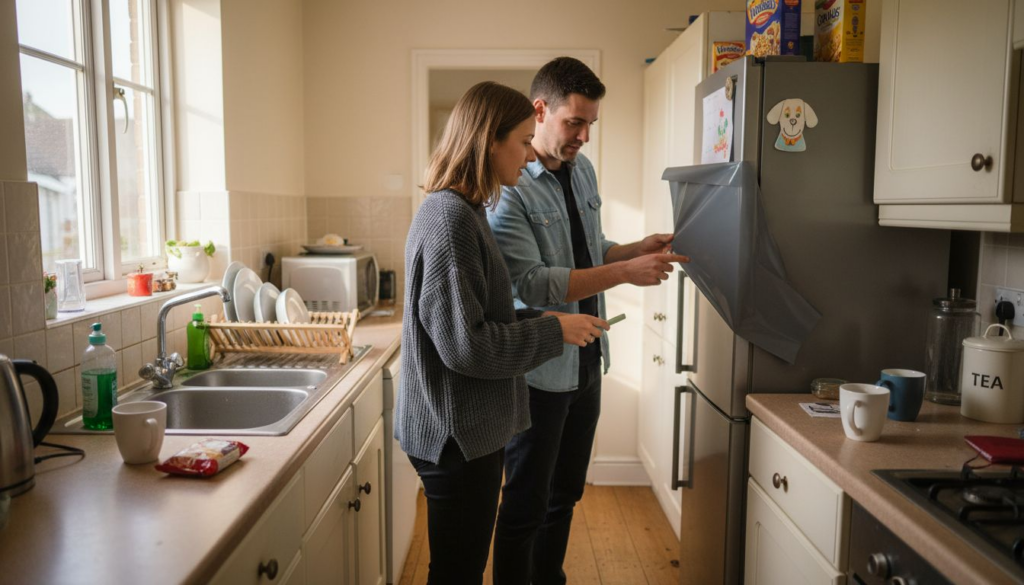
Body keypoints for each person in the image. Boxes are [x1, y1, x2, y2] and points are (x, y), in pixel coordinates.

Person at [395, 80, 610, 585]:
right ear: (489, 142)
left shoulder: (463, 212)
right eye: (520, 141)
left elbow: (482, 316)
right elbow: (467, 347)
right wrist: (552, 334)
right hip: (456, 435)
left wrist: (548, 320)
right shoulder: (450, 221)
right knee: (458, 572)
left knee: (459, 566)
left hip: (464, 430)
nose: (527, 155)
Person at [488, 57, 690, 585]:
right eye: (574, 122)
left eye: (590, 124)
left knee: (566, 494)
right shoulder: (510, 187)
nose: (583, 136)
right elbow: (532, 282)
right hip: (537, 372)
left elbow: (591, 251)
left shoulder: (583, 171)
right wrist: (625, 271)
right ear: (541, 110)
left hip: (587, 362)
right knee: (526, 502)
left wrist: (633, 247)